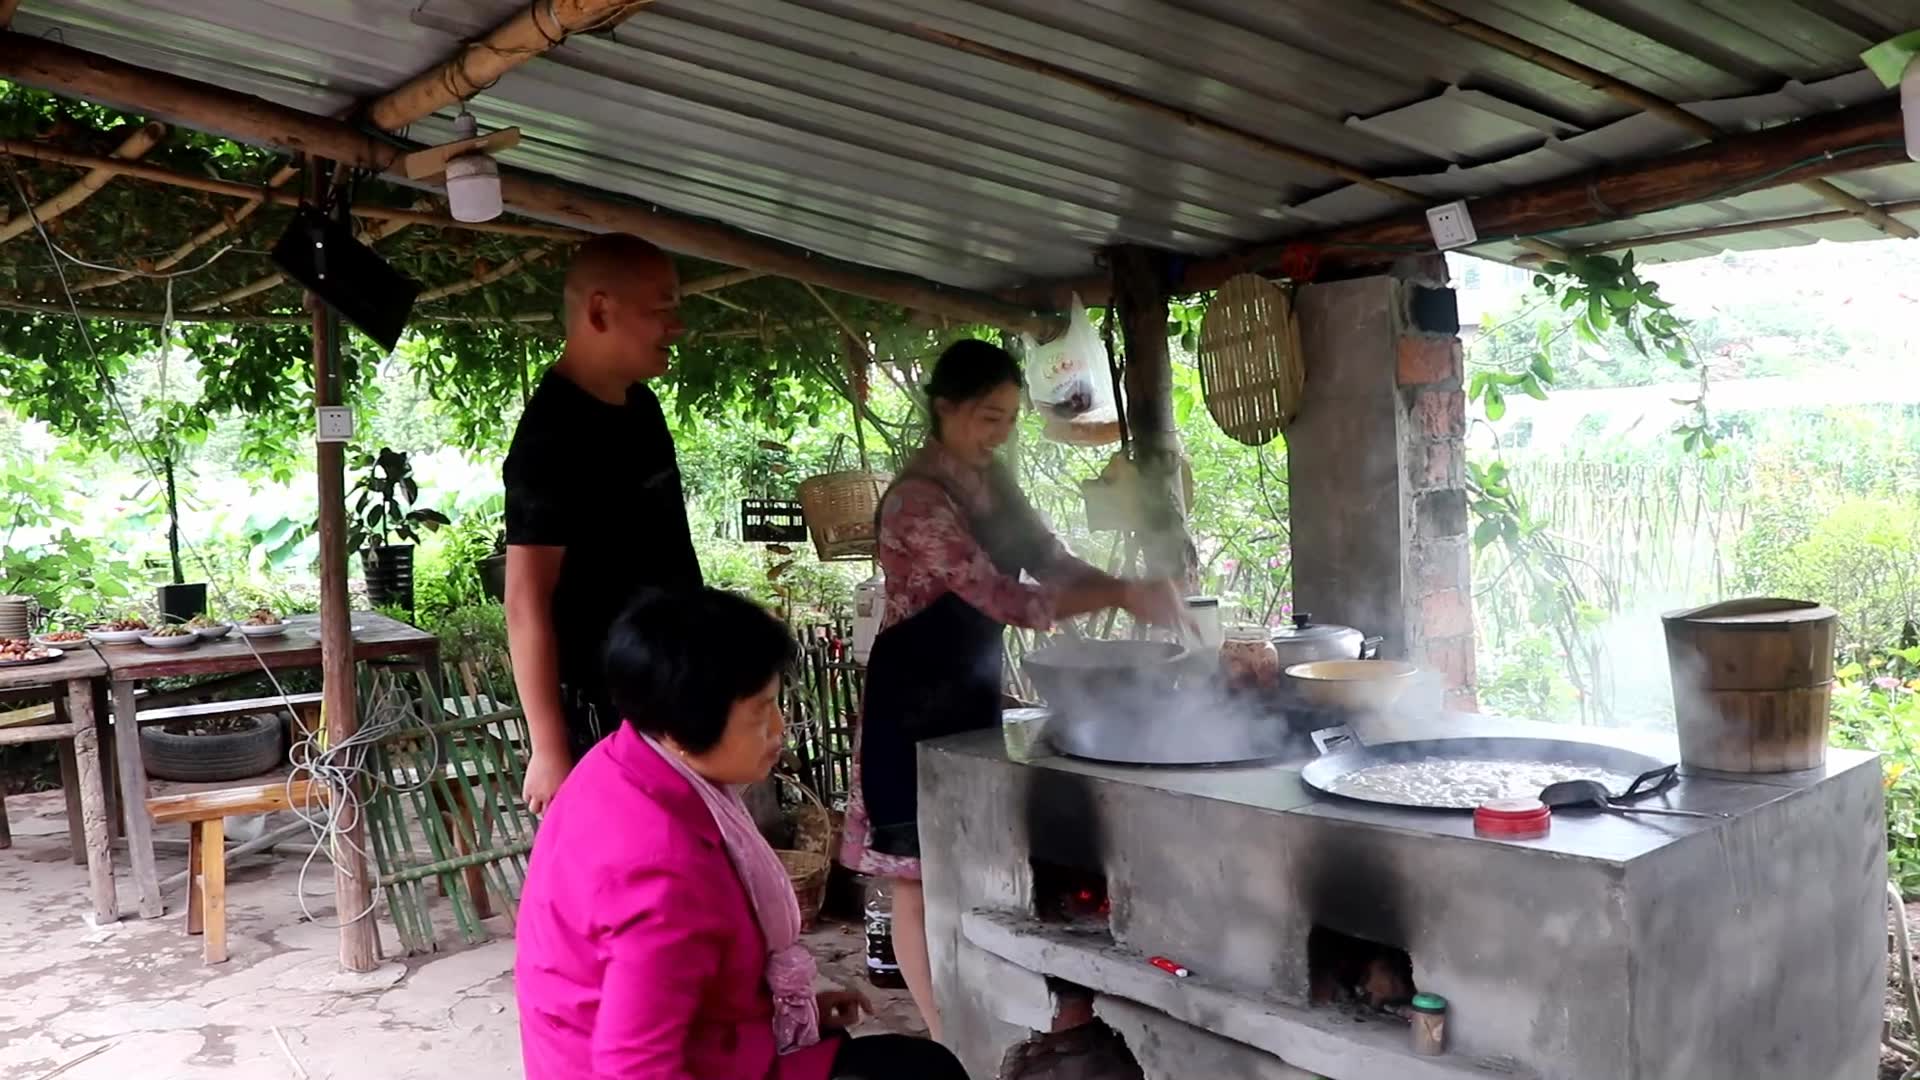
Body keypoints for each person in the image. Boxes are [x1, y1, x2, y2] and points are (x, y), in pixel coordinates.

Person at [838, 339, 1182, 1039]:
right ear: (946, 409)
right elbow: (1007, 600)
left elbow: (1048, 560)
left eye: (1007, 420)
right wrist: (1122, 592)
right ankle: (942, 1034)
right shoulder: (914, 501)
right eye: (986, 418)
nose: (997, 434)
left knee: (958, 859)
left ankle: (971, 1012)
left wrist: (1124, 586)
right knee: (914, 877)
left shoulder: (995, 483)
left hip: (969, 689)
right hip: (910, 701)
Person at [515, 588, 971, 1080]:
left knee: (912, 1063)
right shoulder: (659, 869)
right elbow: (635, 1066)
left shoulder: (624, 758)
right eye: (760, 712)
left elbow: (685, 974)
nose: (780, 728)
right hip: (637, 1065)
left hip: (695, 1042)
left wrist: (791, 1010)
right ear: (686, 719)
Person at [504, 233, 702, 814]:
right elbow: (524, 600)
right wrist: (548, 747)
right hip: (603, 713)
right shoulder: (549, 437)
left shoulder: (643, 409)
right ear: (599, 310)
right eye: (662, 309)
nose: (677, 326)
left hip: (669, 688)